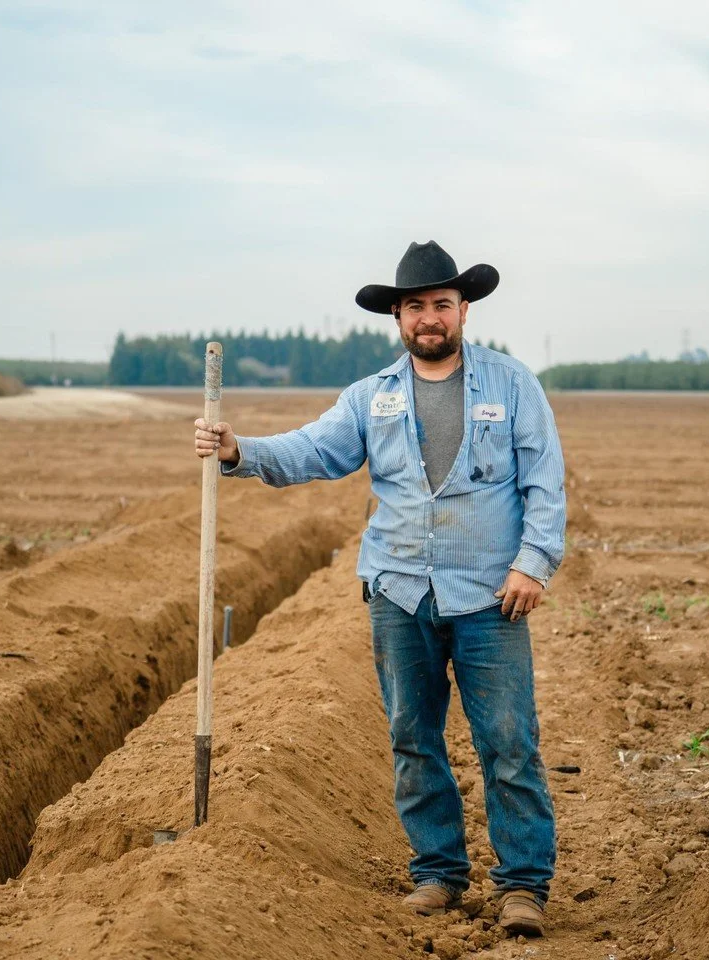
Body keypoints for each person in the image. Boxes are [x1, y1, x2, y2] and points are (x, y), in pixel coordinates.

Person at [193, 240, 566, 937]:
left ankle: (523, 886)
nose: (431, 318)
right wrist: (241, 451)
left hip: (493, 595)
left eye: (443, 305)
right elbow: (312, 450)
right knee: (411, 734)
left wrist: (533, 563)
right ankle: (438, 873)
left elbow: (545, 484)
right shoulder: (373, 397)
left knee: (509, 740)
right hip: (400, 591)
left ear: (463, 311)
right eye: (417, 306)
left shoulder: (514, 387)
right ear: (398, 317)